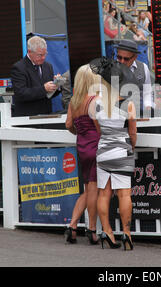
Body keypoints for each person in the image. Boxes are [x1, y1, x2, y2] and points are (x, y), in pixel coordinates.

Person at [89, 57, 137, 250]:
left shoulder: (95, 104)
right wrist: (131, 146)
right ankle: (127, 234)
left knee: (104, 193)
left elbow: (98, 130)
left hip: (103, 150)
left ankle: (107, 232)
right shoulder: (129, 104)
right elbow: (132, 133)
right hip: (121, 149)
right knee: (124, 194)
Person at [65, 64, 101, 245]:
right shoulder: (95, 100)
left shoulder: (74, 101)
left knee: (88, 189)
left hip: (82, 145)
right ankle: (92, 229)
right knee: (93, 189)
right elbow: (99, 128)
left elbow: (68, 124)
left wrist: (80, 131)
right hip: (95, 145)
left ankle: (72, 226)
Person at [11, 35, 61, 117]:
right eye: (40, 55)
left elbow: (48, 95)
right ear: (29, 52)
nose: (43, 58)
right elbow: (21, 93)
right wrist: (44, 89)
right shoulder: (19, 68)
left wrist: (56, 86)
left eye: (45, 54)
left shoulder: (48, 66)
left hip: (47, 115)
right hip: (28, 117)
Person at [115, 39, 153, 112]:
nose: (122, 61)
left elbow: (147, 92)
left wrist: (148, 106)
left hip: (140, 111)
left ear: (135, 57)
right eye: (119, 57)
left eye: (126, 59)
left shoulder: (143, 68)